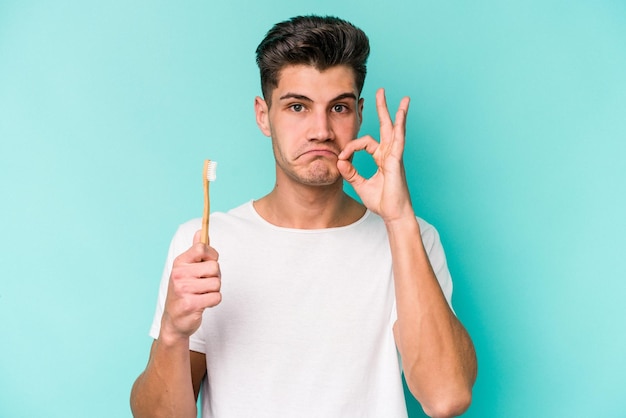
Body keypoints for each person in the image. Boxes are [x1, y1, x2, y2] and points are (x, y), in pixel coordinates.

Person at [130, 15, 477, 418]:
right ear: (263, 115)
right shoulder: (204, 244)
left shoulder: (410, 237)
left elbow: (446, 398)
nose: (321, 130)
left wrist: (399, 221)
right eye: (298, 106)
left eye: (339, 108)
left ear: (359, 114)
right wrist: (173, 332)